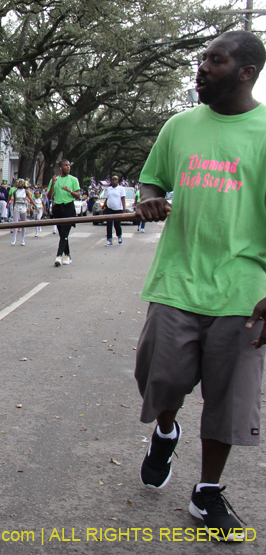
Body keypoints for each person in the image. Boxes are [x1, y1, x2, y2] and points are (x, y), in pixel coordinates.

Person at [133, 31, 266, 540]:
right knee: (158, 377)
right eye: (202, 58)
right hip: (176, 280)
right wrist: (149, 198)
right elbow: (153, 178)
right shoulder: (179, 125)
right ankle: (165, 430)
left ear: (246, 71)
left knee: (229, 399)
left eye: (216, 60)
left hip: (244, 288)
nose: (202, 68)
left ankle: (207, 491)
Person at [47, 160, 80, 266]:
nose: (68, 167)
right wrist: (52, 184)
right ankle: (68, 255)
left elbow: (78, 195)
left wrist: (69, 191)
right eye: (66, 165)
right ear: (60, 167)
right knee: (62, 234)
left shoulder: (73, 179)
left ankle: (59, 256)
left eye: (69, 165)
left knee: (65, 233)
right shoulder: (55, 180)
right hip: (57, 208)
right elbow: (49, 196)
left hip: (68, 208)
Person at [104, 174, 127, 246]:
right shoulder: (109, 189)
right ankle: (110, 240)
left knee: (117, 225)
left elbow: (123, 199)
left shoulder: (121, 189)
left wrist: (124, 209)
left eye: (115, 179)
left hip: (117, 209)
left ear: (118, 181)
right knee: (109, 224)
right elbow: (107, 198)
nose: (114, 181)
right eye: (113, 179)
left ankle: (119, 236)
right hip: (109, 209)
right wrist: (102, 208)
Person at [9, 179, 33, 246]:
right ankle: (14, 239)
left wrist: (35, 206)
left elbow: (30, 199)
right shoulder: (15, 191)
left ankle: (23, 240)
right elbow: (14, 200)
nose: (20, 184)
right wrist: (13, 208)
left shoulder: (26, 191)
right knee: (15, 223)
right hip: (16, 206)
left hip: (23, 206)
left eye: (21, 183)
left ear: (24, 184)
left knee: (23, 223)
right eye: (19, 182)